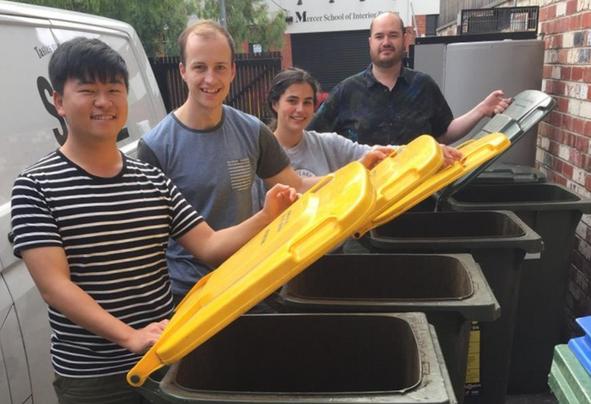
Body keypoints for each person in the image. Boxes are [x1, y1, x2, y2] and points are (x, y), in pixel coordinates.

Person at [10, 37, 297, 404]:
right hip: (94, 377)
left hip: (164, 358)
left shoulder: (151, 179)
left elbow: (210, 245)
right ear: (59, 101)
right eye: (88, 91)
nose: (103, 101)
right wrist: (129, 336)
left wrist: (266, 216)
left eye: (114, 90)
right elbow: (54, 286)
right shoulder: (35, 186)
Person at [137, 21, 388, 300]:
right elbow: (148, 243)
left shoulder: (252, 131)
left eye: (220, 67)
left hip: (247, 281)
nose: (210, 78)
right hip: (190, 295)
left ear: (232, 71)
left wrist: (356, 170)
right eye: (199, 67)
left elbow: (298, 185)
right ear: (183, 71)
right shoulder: (156, 146)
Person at [308, 11, 511, 146]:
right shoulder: (346, 92)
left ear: (404, 39)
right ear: (370, 42)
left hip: (419, 193)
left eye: (393, 35)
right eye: (379, 36)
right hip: (366, 195)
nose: (386, 42)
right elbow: (312, 139)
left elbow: (444, 133)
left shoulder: (423, 86)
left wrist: (481, 110)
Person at [266, 67, 462, 178]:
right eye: (292, 101)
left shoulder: (327, 144)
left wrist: (426, 152)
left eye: (307, 102)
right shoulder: (260, 154)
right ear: (275, 103)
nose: (300, 109)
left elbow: (379, 153)